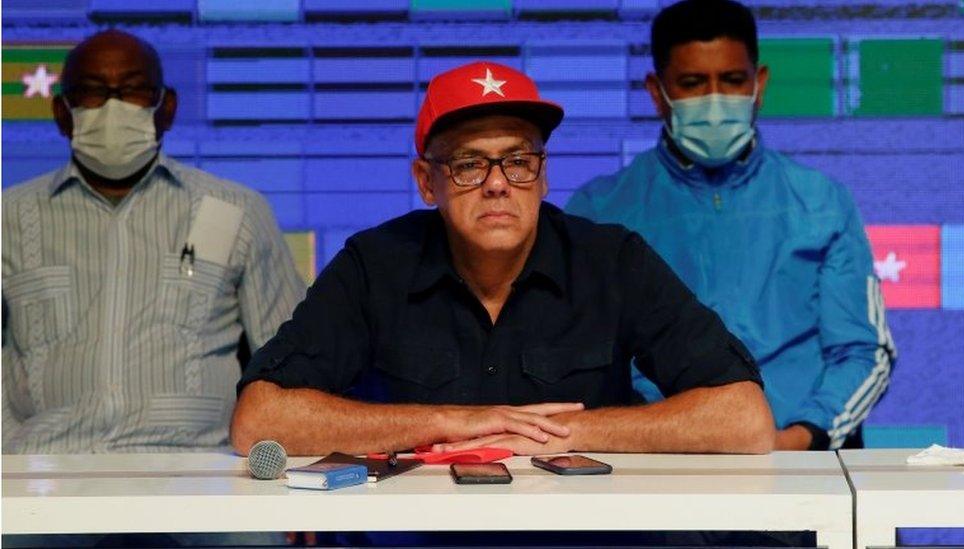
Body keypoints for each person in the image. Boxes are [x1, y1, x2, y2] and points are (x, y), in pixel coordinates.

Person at [230, 60, 775, 457]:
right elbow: (260, 419)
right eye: (469, 164)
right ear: (427, 182)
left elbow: (744, 419)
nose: (497, 185)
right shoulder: (374, 265)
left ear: (543, 174)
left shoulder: (612, 259)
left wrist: (557, 434)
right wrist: (452, 422)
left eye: (518, 160)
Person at [566, 0, 896, 451]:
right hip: (658, 471)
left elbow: (863, 352)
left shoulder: (822, 201)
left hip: (802, 465)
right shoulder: (598, 211)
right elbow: (583, 363)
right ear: (656, 91)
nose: (715, 101)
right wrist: (657, 433)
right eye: (692, 84)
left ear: (758, 84)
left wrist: (797, 439)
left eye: (732, 80)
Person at [1, 30, 305, 453]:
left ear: (167, 108)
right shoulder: (9, 219)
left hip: (198, 477)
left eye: (135, 91)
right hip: (44, 477)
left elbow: (292, 371)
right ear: (61, 112)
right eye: (91, 93)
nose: (113, 107)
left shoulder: (232, 211)